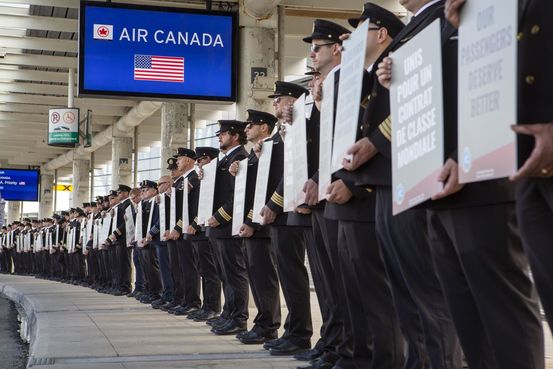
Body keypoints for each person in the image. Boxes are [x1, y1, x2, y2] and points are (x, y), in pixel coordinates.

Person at [344, 1, 463, 368]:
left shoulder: (442, 17)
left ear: (381, 32)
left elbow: (438, 93)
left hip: (415, 170)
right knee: (405, 288)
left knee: (428, 290)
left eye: (362, 29)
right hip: (392, 176)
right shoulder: (418, 26)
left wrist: (376, 143)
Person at [260, 81, 314, 357]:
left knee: (293, 273)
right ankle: (295, 330)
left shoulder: (299, 128)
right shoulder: (281, 135)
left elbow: (291, 173)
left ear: (293, 101)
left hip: (290, 208)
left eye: (279, 99)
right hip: (285, 211)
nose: (275, 105)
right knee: (288, 274)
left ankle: (300, 333)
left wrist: (273, 203)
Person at [230, 109, 282, 345]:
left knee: (265, 278)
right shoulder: (254, 154)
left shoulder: (272, 148)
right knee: (256, 277)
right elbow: (248, 192)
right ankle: (262, 323)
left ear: (264, 127)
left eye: (250, 125)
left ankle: (268, 326)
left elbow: (265, 188)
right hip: (253, 225)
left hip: (265, 225)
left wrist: (252, 223)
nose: (246, 129)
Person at [205, 120, 249, 336]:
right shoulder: (225, 159)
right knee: (224, 272)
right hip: (217, 226)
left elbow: (236, 195)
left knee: (234, 273)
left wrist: (219, 217)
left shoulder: (239, 157)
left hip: (227, 225)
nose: (219, 137)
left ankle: (238, 318)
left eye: (222, 133)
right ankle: (228, 312)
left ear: (235, 135)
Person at [184, 147, 222, 322]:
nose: (199, 164)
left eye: (201, 160)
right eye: (197, 161)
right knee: (203, 270)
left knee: (210, 271)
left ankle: (213, 307)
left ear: (211, 160)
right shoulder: (202, 178)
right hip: (199, 230)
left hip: (205, 229)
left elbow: (207, 204)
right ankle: (208, 306)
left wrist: (193, 223)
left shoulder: (210, 177)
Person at [168, 148, 203, 316]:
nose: (177, 163)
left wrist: (178, 227)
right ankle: (185, 300)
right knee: (182, 267)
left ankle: (193, 302)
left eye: (180, 159)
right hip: (182, 230)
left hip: (189, 230)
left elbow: (192, 207)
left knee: (190, 268)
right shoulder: (182, 180)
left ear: (189, 161)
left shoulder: (194, 178)